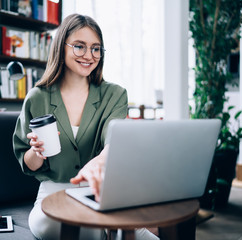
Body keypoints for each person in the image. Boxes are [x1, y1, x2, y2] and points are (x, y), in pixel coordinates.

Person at [13, 13, 158, 240]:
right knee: (51, 225)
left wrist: (96, 165)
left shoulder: (115, 94)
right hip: (54, 192)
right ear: (62, 47)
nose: (89, 56)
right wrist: (37, 152)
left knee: (138, 232)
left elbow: (114, 139)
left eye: (96, 49)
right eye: (79, 47)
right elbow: (28, 163)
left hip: (101, 190)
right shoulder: (37, 97)